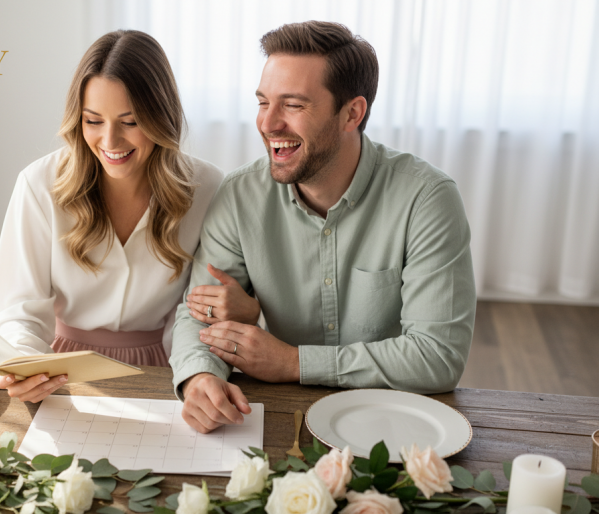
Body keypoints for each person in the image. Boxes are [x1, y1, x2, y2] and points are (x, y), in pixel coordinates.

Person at [170, 21, 476, 433]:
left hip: (393, 423)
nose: (269, 123)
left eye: (293, 105)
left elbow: (436, 357)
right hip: (275, 419)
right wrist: (200, 377)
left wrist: (293, 362)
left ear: (352, 113)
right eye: (263, 102)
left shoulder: (427, 199)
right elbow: (198, 315)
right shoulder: (240, 195)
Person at [0, 30, 255, 404]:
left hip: (163, 368)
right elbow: (16, 308)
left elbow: (203, 310)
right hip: (59, 373)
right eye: (93, 121)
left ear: (161, 117)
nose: (110, 141)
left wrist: (201, 367)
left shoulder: (207, 187)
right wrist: (22, 360)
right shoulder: (39, 184)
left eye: (130, 122)